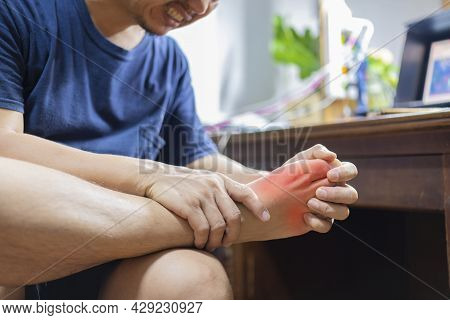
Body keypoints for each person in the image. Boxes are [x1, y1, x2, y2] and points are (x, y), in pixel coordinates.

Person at [0, 0, 358, 300]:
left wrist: (269, 184)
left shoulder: (168, 59)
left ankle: (243, 216)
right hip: (27, 252)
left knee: (194, 278)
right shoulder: (18, 12)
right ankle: (238, 224)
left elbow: (197, 160)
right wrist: (147, 179)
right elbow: (5, 145)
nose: (200, 6)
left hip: (123, 261)